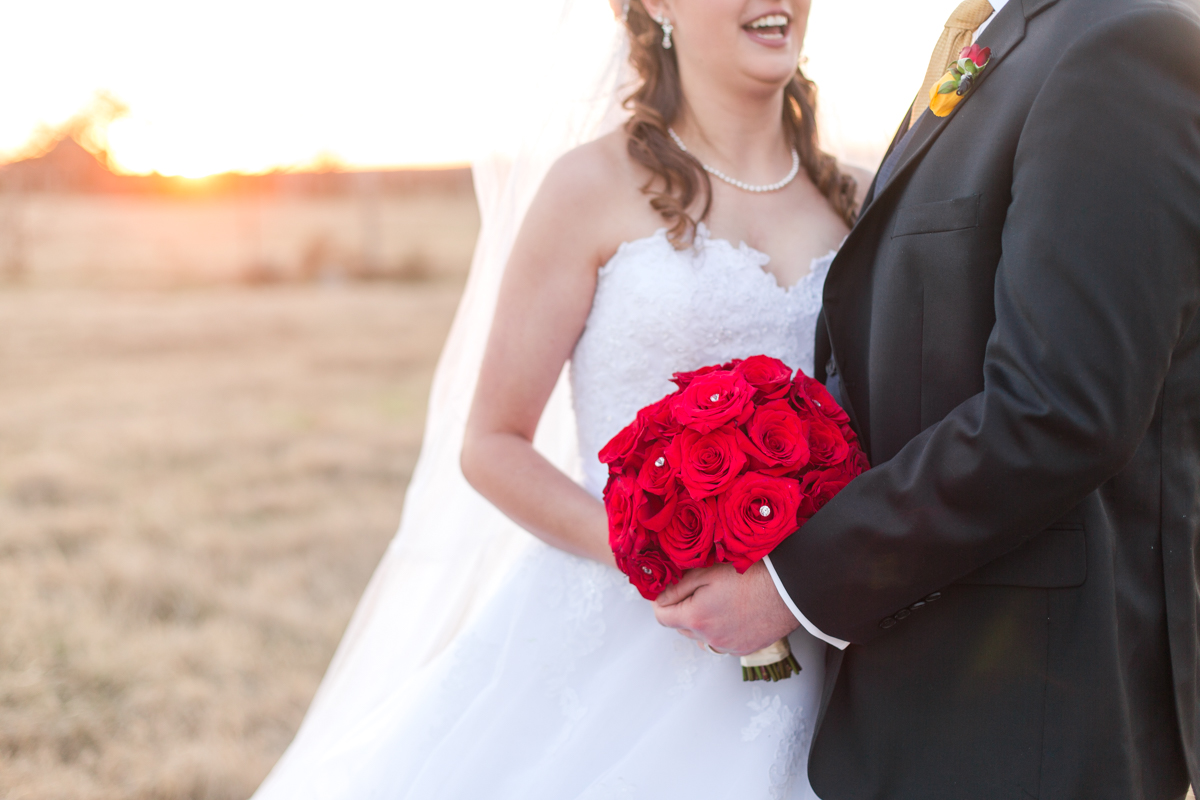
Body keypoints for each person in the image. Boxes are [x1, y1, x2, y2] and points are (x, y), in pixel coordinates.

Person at [250, 0, 867, 798]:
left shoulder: (861, 193)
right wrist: (660, 553)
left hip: (821, 633)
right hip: (621, 627)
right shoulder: (589, 186)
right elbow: (493, 442)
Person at [656, 0, 1200, 797]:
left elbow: (1059, 409)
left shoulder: (1120, 43)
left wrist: (796, 584)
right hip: (924, 692)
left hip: (1031, 715)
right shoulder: (995, 37)